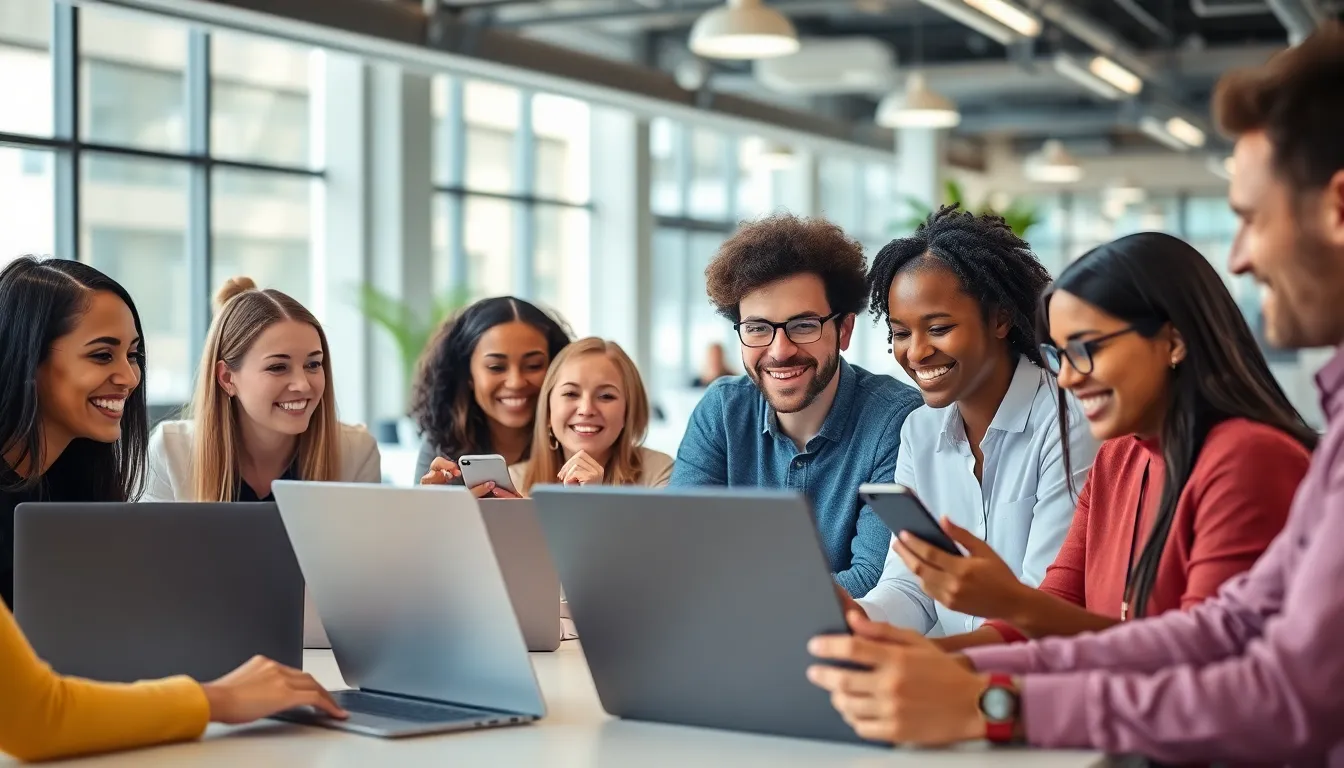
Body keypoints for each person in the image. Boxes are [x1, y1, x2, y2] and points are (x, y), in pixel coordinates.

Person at [806, 25, 1344, 764]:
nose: (1241, 256)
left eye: (1250, 219)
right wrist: (940, 670)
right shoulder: (1128, 455)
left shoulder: (1242, 457)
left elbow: (1266, 689)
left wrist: (990, 700)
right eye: (1062, 353)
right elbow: (1216, 632)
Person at [0, 257, 345, 762]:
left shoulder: (72, 488)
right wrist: (221, 699)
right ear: (26, 360)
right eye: (102, 355)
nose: (128, 376)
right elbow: (37, 718)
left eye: (133, 354)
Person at [907, 232, 1312, 652]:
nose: (1066, 376)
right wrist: (910, 658)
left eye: (1085, 349)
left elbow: (1202, 660)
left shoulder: (1248, 459)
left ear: (1173, 342)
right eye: (1058, 356)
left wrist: (1012, 602)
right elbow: (1056, 606)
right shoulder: (1117, 459)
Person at [846, 206, 1100, 638]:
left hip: (1030, 679)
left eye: (939, 327)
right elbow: (912, 585)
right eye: (901, 333)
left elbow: (1044, 601)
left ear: (1000, 319)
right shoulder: (919, 431)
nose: (917, 352)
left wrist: (928, 661)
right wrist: (856, 618)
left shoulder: (1066, 418)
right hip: (952, 672)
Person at [670, 214, 923, 597]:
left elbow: (872, 580)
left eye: (803, 325)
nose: (779, 351)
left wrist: (733, 600)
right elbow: (682, 558)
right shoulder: (721, 412)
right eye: (757, 328)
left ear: (845, 331)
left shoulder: (897, 421)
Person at [144, 277, 381, 503]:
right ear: (227, 378)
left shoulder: (356, 453)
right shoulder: (171, 452)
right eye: (278, 367)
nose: (303, 385)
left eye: (313, 364)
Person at [414, 296, 571, 496]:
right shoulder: (442, 444)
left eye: (533, 366)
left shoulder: (574, 437)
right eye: (496, 367)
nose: (516, 382)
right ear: (467, 374)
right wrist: (431, 510)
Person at [512, 337, 673, 495]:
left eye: (606, 396)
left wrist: (594, 498)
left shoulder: (660, 473)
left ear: (629, 411)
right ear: (548, 411)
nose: (586, 409)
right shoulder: (513, 482)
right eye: (571, 393)